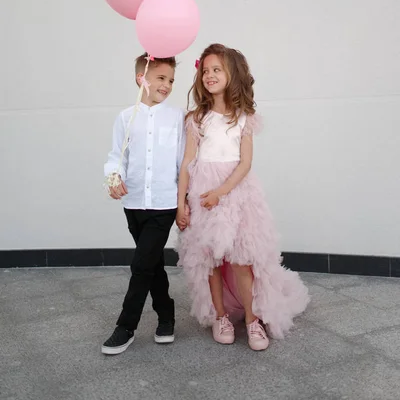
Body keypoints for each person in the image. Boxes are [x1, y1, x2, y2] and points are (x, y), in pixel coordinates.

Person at [176, 44, 309, 351]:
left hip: (235, 193)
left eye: (216, 70)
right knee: (209, 259)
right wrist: (182, 202)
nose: (209, 75)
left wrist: (221, 193)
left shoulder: (242, 117)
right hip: (201, 192)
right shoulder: (197, 118)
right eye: (205, 70)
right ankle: (220, 315)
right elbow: (187, 162)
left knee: (240, 259)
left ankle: (252, 319)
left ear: (231, 74)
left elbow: (245, 162)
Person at [101, 54, 185, 355]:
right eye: (161, 78)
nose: (168, 85)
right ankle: (166, 315)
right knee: (152, 264)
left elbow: (182, 162)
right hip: (134, 202)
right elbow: (117, 157)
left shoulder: (177, 118)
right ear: (142, 79)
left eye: (171, 80)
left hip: (164, 204)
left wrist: (183, 202)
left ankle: (126, 327)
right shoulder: (126, 117)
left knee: (140, 265)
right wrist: (114, 177)